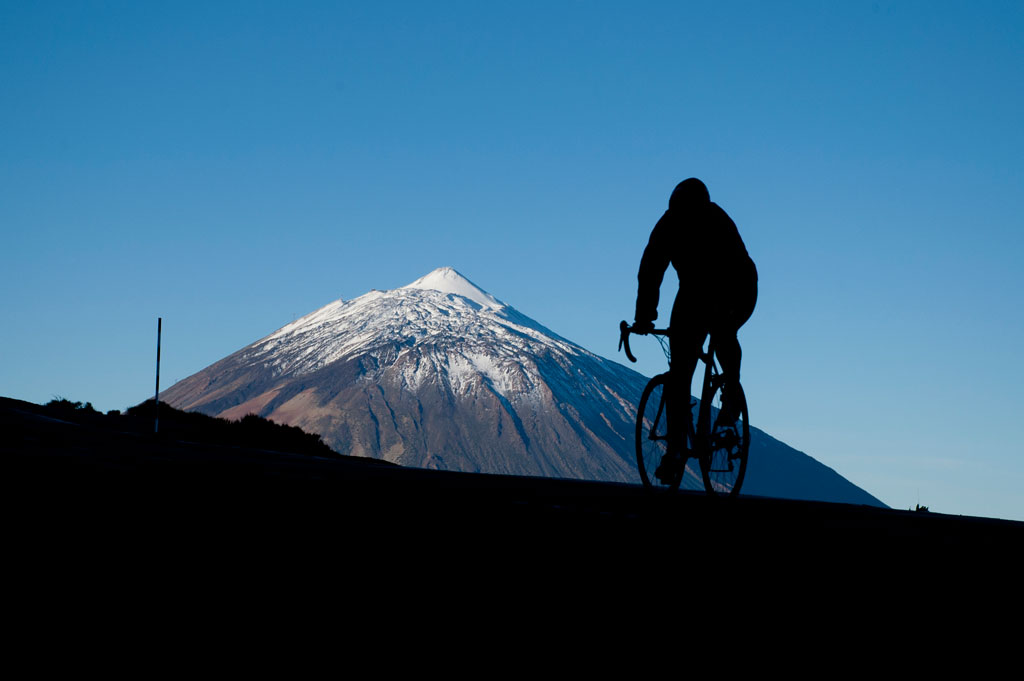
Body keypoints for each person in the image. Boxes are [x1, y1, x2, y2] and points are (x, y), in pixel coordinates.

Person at [632, 178, 757, 482]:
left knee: (724, 330)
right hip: (693, 292)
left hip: (736, 286)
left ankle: (730, 398)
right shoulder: (668, 224)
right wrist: (645, 317)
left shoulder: (718, 222)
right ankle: (675, 451)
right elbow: (651, 270)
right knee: (679, 374)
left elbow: (735, 268)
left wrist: (722, 316)